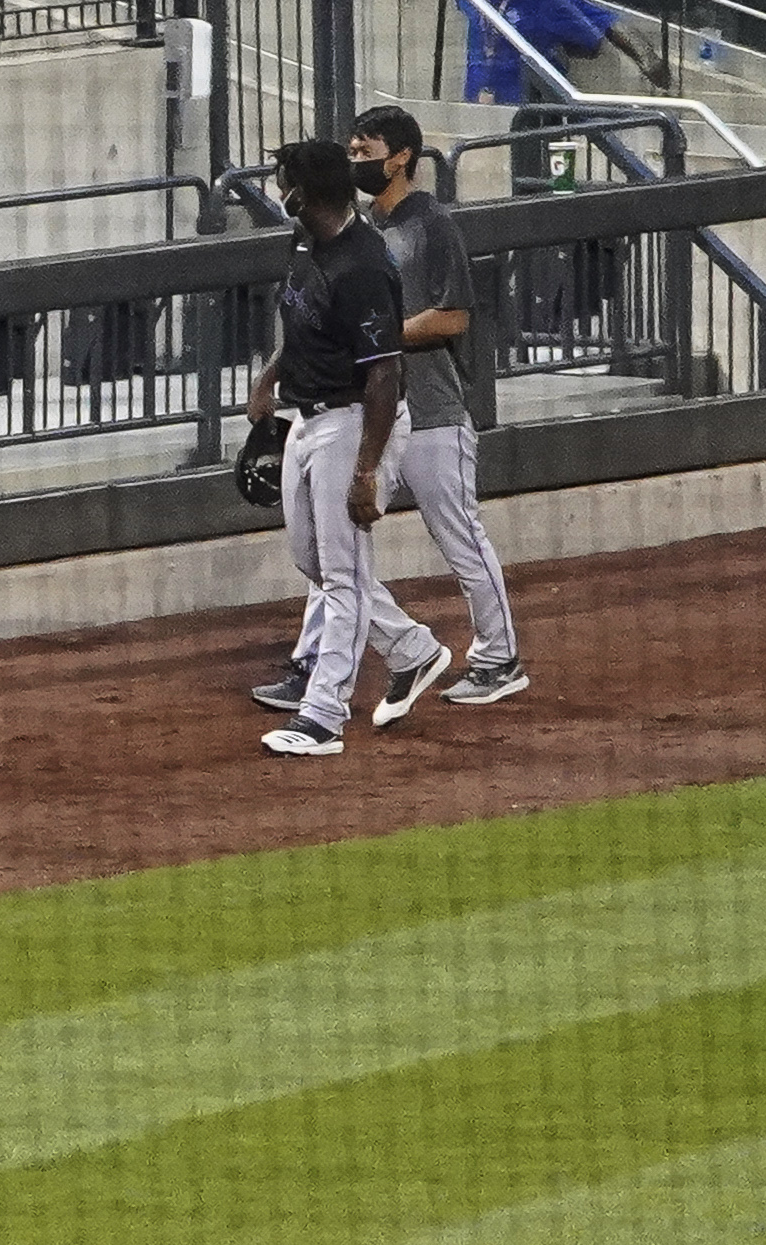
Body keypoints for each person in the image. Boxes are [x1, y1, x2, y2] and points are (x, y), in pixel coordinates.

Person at [248, 139, 433, 758]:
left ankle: (323, 716)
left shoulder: (363, 266)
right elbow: (301, 323)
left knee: (344, 576)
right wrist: (269, 377)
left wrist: (366, 470)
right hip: (307, 416)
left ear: (307, 193)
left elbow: (384, 373)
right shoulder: (304, 240)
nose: (278, 191)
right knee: (315, 561)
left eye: (284, 182)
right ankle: (410, 648)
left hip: (355, 421)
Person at [353, 107, 527, 709]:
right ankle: (344, 658)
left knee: (461, 540)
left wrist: (378, 337)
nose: (356, 158)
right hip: (371, 416)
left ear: (400, 157)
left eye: (366, 149)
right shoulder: (359, 228)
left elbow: (453, 317)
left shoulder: (431, 223)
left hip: (432, 410)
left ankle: (500, 658)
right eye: (352, 149)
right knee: (334, 545)